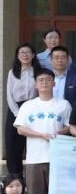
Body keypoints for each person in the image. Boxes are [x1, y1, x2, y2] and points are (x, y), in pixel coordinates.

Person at [13, 68, 71, 194]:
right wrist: (40, 135)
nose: (44, 82)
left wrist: (58, 133)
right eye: (41, 80)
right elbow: (20, 129)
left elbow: (70, 126)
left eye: (48, 79)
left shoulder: (64, 104)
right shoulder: (28, 105)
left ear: (54, 83)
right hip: (34, 158)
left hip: (57, 158)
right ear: (35, 84)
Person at [5, 43, 40, 176]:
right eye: (22, 52)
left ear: (33, 55)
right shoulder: (12, 72)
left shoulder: (38, 71)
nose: (25, 55)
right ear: (17, 56)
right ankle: (15, 177)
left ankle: (33, 176)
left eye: (28, 52)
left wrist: (32, 110)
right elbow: (9, 95)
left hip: (34, 108)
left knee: (32, 142)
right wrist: (17, 113)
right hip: (15, 109)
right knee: (13, 144)